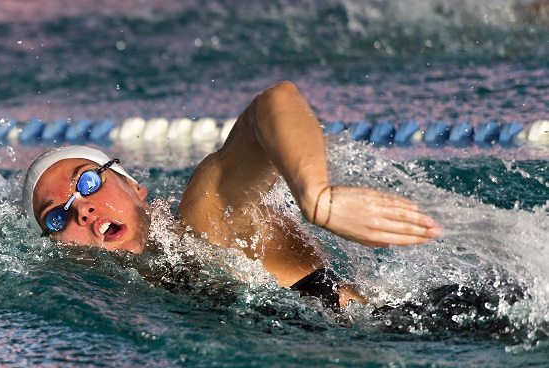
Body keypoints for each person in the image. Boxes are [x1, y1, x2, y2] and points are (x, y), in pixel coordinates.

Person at [22, 81, 443, 310]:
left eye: (88, 183)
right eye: (56, 217)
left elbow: (275, 102)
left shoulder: (201, 215)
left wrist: (318, 199)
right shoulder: (136, 296)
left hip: (427, 328)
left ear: (134, 186)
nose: (83, 209)